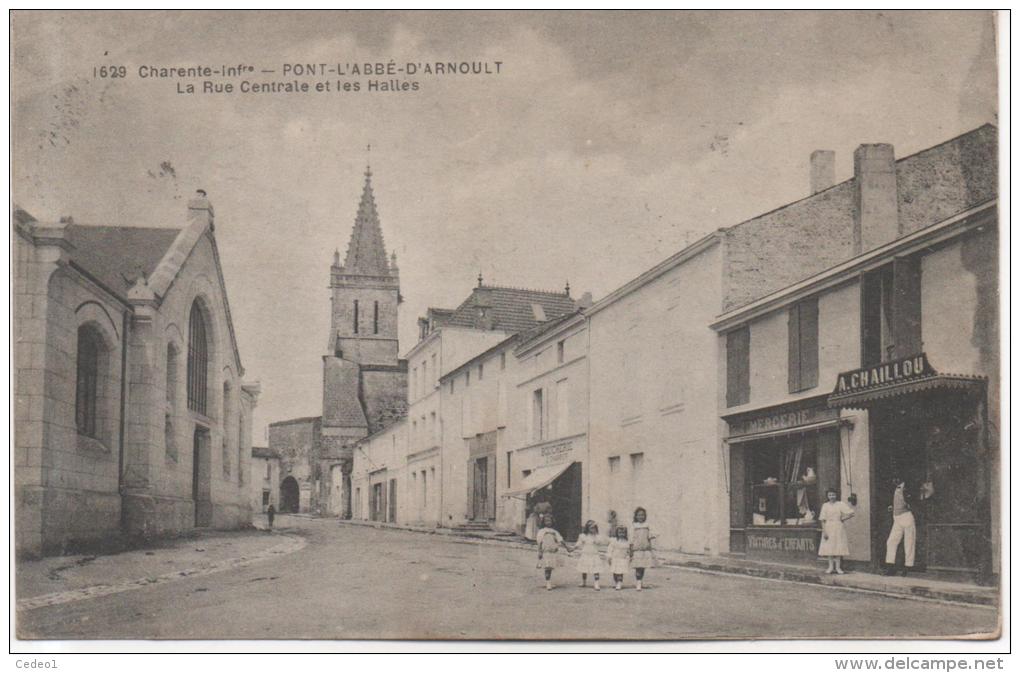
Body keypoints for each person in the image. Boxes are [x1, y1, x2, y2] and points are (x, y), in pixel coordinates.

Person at [817, 488, 854, 574]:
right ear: (827, 496)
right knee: (829, 548)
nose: (832, 497)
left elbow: (851, 513)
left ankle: (838, 568)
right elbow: (822, 519)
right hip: (828, 527)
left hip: (838, 527)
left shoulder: (840, 504)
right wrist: (824, 531)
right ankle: (830, 567)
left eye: (833, 495)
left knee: (838, 547)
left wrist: (843, 519)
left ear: (836, 495)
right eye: (830, 495)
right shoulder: (825, 505)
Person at [885, 477, 916, 576]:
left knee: (909, 542)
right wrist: (892, 506)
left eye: (897, 478)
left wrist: (910, 505)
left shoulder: (907, 487)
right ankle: (890, 567)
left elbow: (913, 499)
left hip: (906, 516)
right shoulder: (895, 488)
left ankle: (908, 567)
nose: (894, 480)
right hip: (897, 518)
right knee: (891, 541)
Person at [536, 513, 571, 591]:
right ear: (543, 522)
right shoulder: (542, 531)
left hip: (553, 552)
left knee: (550, 567)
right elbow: (540, 542)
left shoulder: (554, 531)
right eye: (546, 521)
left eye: (550, 521)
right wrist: (540, 551)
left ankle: (549, 581)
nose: (548, 522)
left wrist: (567, 547)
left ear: (552, 521)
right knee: (547, 567)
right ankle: (548, 583)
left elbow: (561, 540)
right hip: (546, 551)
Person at [629, 507, 656, 591]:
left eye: (643, 515)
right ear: (636, 516)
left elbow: (651, 536)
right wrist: (630, 549)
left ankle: (640, 581)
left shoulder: (648, 525)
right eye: (639, 515)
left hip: (645, 548)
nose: (641, 517)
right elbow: (631, 538)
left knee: (643, 566)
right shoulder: (633, 526)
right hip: (637, 549)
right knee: (638, 566)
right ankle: (638, 582)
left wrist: (650, 542)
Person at [575, 520, 604, 591]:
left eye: (594, 528)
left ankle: (596, 583)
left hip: (594, 555)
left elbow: (600, 543)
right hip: (586, 554)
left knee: (596, 569)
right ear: (587, 528)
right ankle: (584, 581)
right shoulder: (583, 536)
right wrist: (574, 547)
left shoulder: (597, 536)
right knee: (584, 569)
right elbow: (579, 543)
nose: (592, 529)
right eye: (591, 528)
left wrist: (595, 538)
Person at [607, 526, 631, 591]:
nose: (621, 534)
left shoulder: (627, 542)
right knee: (615, 572)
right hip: (615, 559)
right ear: (617, 533)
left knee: (620, 572)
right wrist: (609, 557)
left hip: (622, 559)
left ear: (625, 533)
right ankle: (616, 582)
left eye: (623, 533)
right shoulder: (614, 541)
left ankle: (619, 583)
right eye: (620, 532)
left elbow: (628, 551)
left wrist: (628, 557)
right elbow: (610, 549)